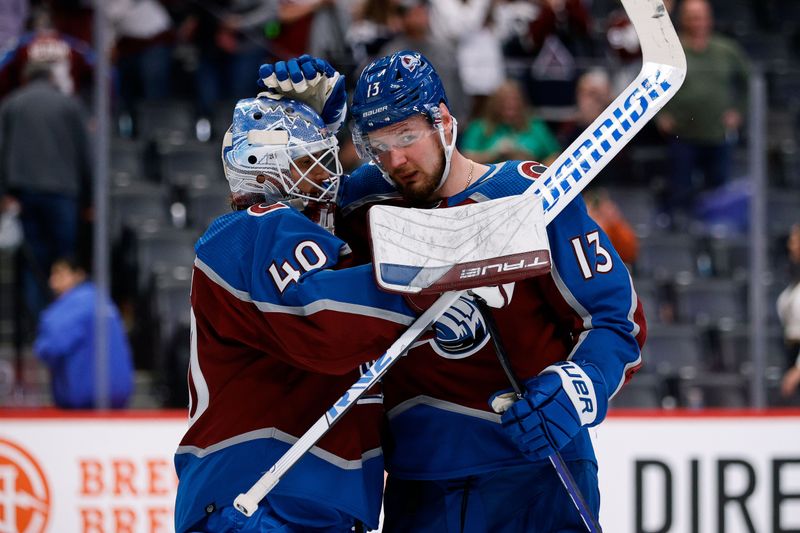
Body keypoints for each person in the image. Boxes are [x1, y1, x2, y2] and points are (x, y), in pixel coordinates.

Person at [259, 51, 647, 531]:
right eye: (377, 145)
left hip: (535, 471)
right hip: (420, 483)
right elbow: (273, 258)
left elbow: (614, 320)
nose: (395, 159)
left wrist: (581, 383)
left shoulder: (526, 195)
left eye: (406, 136)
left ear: (444, 121)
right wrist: (308, 135)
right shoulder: (361, 204)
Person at [173, 95, 421, 532]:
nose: (329, 175)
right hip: (258, 498)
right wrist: (430, 277)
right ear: (266, 168)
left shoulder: (301, 237)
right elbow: (323, 322)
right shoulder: (254, 227)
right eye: (312, 160)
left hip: (308, 500)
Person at [0, 59, 92, 330]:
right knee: (64, 259)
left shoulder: (12, 103)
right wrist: (90, 199)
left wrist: (4, 192)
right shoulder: (69, 104)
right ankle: (64, 322)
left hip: (24, 194)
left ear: (27, 79)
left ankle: (37, 324)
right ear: (51, 79)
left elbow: (1, 150)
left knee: (32, 263)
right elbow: (84, 154)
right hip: (63, 193)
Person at [655, 0, 749, 228]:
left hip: (717, 135)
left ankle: (716, 240)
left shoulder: (726, 50)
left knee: (719, 195)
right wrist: (661, 114)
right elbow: (652, 83)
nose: (697, 22)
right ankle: (680, 239)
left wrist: (739, 112)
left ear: (709, 19)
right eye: (692, 17)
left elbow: (749, 82)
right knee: (680, 191)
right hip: (682, 135)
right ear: (683, 19)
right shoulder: (670, 48)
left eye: (701, 16)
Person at [33, 257, 134, 409]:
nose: (52, 282)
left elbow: (51, 347)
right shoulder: (104, 300)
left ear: (78, 275)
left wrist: (40, 346)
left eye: (60, 274)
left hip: (86, 395)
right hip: (119, 394)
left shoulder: (68, 307)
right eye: (52, 275)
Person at [461, 78, 560, 165]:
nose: (510, 105)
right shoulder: (479, 127)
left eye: (514, 100)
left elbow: (555, 156)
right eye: (504, 101)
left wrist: (532, 163)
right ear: (494, 104)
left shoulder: (535, 125)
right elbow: (466, 159)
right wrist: (494, 154)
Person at [779, 224, 800, 398]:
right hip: (791, 351)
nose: (791, 245)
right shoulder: (794, 278)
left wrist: (799, 369)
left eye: (795, 240)